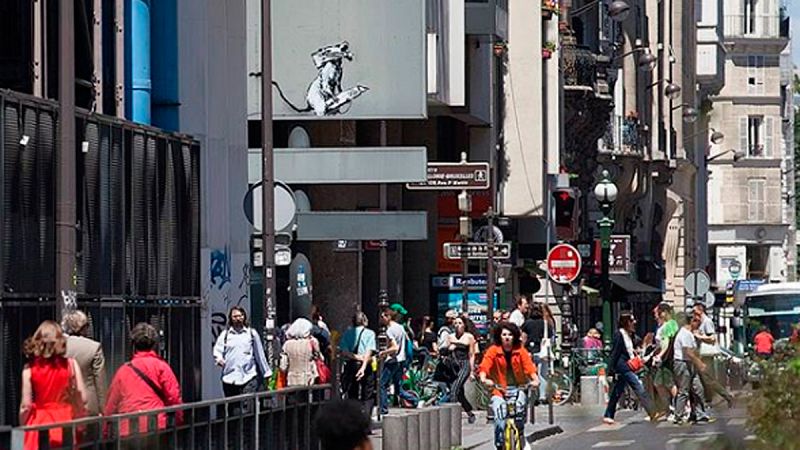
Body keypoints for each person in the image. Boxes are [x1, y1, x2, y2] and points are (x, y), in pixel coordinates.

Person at [19, 320, 88, 450]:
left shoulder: (29, 368)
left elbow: (25, 406)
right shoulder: (71, 364)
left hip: (39, 421)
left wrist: (23, 425)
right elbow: (82, 397)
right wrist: (80, 419)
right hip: (65, 420)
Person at [104, 323, 182, 435]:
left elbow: (112, 402)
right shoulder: (161, 366)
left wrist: (105, 428)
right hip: (155, 424)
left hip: (128, 427)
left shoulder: (124, 370)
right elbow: (173, 396)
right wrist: (178, 418)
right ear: (154, 344)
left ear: (133, 344)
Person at [478, 322, 538, 450]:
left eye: (510, 335)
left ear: (514, 336)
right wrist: (484, 377)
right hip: (499, 389)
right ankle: (499, 444)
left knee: (520, 410)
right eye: (504, 334)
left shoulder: (520, 351)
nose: (507, 337)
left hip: (519, 387)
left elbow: (529, 367)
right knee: (499, 416)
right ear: (499, 336)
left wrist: (534, 379)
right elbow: (485, 364)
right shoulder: (493, 350)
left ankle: (521, 435)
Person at [603, 312, 655, 424]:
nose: (634, 322)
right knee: (638, 386)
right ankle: (652, 412)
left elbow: (635, 346)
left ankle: (608, 414)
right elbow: (615, 352)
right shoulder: (619, 334)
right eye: (631, 320)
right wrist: (611, 370)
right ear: (626, 322)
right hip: (623, 366)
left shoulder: (630, 334)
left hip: (628, 364)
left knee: (618, 390)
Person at [213, 306, 271, 399]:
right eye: (235, 316)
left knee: (247, 409)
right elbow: (217, 350)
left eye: (240, 316)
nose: (238, 319)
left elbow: (260, 355)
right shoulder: (225, 335)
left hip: (248, 377)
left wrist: (266, 373)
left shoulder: (251, 333)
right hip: (229, 378)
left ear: (244, 317)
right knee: (234, 410)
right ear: (231, 318)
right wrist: (219, 359)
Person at [63, 310, 107, 417]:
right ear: (84, 327)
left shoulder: (59, 346)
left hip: (64, 402)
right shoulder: (94, 347)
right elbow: (100, 381)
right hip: (89, 405)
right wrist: (103, 408)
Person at [672, 314, 712, 424]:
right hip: (683, 363)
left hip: (689, 364)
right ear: (691, 322)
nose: (699, 325)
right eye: (697, 322)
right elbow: (688, 352)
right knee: (684, 391)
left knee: (698, 388)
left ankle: (699, 414)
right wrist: (700, 364)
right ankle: (678, 416)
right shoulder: (685, 334)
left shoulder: (689, 334)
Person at [692, 304, 733, 407]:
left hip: (707, 354)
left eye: (695, 313)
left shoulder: (707, 322)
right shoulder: (701, 322)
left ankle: (725, 395)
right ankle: (706, 400)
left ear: (700, 311)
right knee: (702, 378)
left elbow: (712, 338)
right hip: (702, 354)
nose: (694, 315)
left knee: (708, 378)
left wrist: (699, 336)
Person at [378, 308, 417, 414]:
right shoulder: (400, 327)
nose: (381, 319)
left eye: (383, 316)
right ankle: (413, 399)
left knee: (382, 384)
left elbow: (394, 347)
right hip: (401, 360)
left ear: (388, 317)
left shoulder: (389, 330)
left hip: (392, 361)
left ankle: (383, 409)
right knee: (398, 387)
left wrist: (384, 352)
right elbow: (407, 341)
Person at [338, 312, 377, 415]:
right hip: (366, 365)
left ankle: (353, 419)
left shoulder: (347, 333)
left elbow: (344, 351)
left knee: (352, 393)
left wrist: (355, 357)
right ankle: (366, 420)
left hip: (351, 365)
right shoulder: (370, 333)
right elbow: (369, 351)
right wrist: (363, 367)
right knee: (368, 393)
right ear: (364, 321)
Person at [446, 315, 479, 424]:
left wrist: (472, 371)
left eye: (460, 323)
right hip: (454, 365)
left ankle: (452, 417)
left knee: (455, 388)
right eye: (455, 323)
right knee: (459, 393)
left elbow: (471, 354)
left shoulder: (469, 337)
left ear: (464, 325)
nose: (457, 325)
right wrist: (449, 349)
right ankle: (470, 413)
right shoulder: (450, 337)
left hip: (464, 364)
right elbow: (445, 353)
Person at [651, 302, 679, 420]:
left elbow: (666, 343)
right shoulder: (662, 326)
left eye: (656, 313)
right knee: (659, 384)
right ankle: (669, 408)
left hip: (666, 360)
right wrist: (650, 355)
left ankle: (680, 407)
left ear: (663, 313)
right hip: (661, 359)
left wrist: (660, 356)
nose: (655, 316)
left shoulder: (670, 325)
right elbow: (660, 344)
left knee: (669, 383)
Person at [521, 304, 552, 404]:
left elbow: (523, 337)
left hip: (529, 351)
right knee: (542, 375)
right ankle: (542, 397)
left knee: (531, 374)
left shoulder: (527, 323)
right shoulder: (546, 323)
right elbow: (551, 337)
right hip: (542, 352)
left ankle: (532, 396)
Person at [280, 318, 320, 386]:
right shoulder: (312, 342)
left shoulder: (287, 344)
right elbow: (319, 358)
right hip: (309, 379)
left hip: (291, 380)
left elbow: (283, 367)